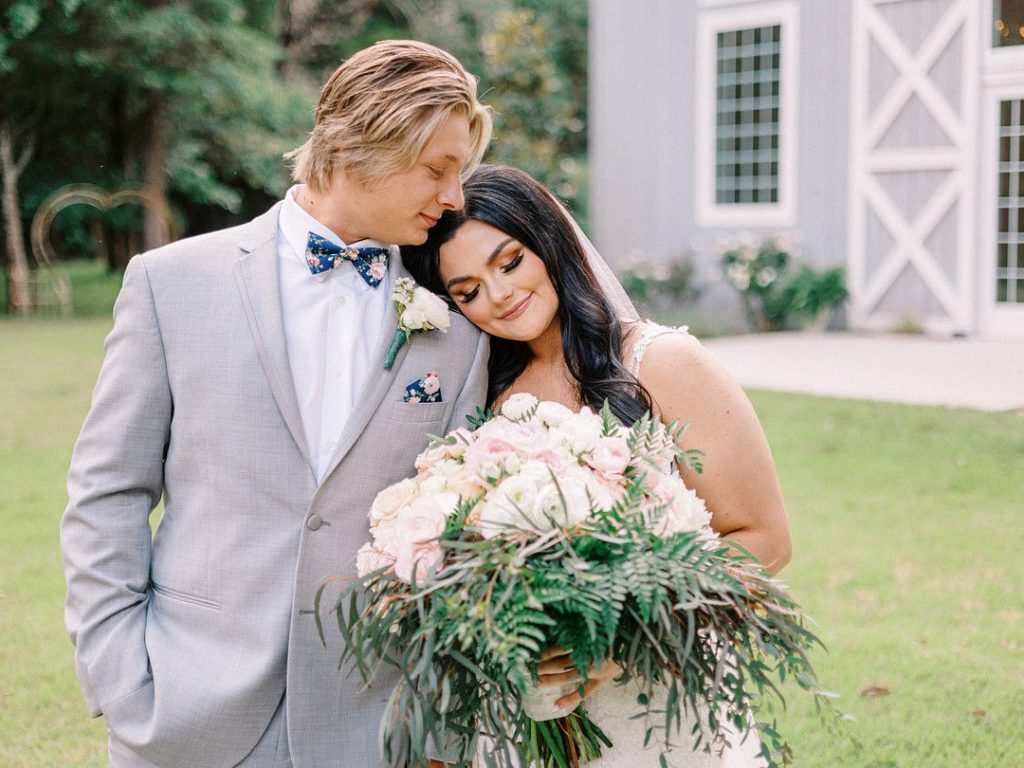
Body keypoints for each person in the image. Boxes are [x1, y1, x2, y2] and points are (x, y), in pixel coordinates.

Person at [60, 40, 492, 768]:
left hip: (378, 727)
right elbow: (108, 492)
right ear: (363, 147)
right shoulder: (172, 284)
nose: (455, 197)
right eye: (438, 170)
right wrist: (120, 677)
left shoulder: (458, 324)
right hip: (189, 714)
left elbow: (465, 532)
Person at [403, 164, 791, 767]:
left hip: (653, 698)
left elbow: (764, 539)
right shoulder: (479, 393)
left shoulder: (662, 362)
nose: (499, 295)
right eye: (469, 291)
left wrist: (622, 637)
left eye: (509, 262)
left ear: (548, 242)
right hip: (523, 710)